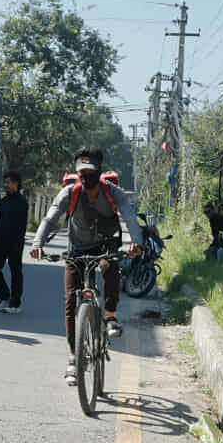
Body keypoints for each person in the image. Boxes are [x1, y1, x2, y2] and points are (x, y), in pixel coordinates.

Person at [31, 147, 144, 387]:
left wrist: (136, 243)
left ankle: (111, 316)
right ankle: (73, 357)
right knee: (71, 300)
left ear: (99, 171)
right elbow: (49, 219)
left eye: (90, 171)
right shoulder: (69, 193)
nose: (85, 176)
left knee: (111, 265)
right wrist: (38, 242)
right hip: (78, 249)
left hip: (106, 245)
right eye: (81, 171)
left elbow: (131, 218)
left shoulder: (114, 193)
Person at [0, 171, 29, 313]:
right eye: (4, 182)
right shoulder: (4, 201)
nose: (5, 185)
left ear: (16, 183)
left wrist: (17, 242)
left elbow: (20, 225)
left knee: (15, 272)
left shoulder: (22, 202)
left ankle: (15, 304)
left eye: (8, 182)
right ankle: (5, 296)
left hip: (15, 243)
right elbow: (0, 221)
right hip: (1, 241)